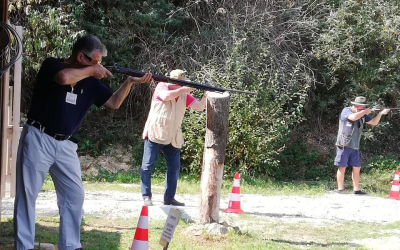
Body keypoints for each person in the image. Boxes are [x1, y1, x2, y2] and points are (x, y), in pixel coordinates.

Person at [13, 34, 152, 250]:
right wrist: (92, 71)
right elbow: (63, 78)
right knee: (27, 194)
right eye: (95, 61)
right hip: (39, 136)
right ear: (80, 56)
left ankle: (70, 245)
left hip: (66, 144)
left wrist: (129, 81)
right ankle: (24, 246)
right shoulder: (53, 65)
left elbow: (114, 102)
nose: (99, 66)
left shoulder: (91, 81)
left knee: (74, 194)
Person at [140, 69, 208, 206]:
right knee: (147, 166)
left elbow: (200, 107)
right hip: (156, 133)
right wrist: (184, 89)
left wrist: (206, 95)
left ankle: (169, 198)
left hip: (173, 136)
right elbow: (166, 96)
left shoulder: (184, 94)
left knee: (174, 169)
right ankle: (146, 196)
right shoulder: (162, 86)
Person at [334, 96, 389, 195]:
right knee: (342, 167)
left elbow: (374, 122)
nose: (362, 109)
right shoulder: (346, 111)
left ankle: (356, 190)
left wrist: (380, 113)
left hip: (355, 146)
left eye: (364, 107)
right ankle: (340, 189)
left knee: (357, 167)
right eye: (361, 107)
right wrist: (364, 112)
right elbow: (353, 117)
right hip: (344, 144)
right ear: (355, 105)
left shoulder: (362, 114)